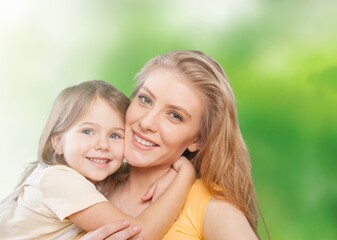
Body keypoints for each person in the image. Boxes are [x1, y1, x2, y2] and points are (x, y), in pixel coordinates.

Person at [85, 50, 261, 239]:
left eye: (175, 116)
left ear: (197, 139)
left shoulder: (211, 207)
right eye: (145, 100)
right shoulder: (86, 184)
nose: (146, 123)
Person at [0, 80, 195, 239]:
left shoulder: (86, 178)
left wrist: (168, 174)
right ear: (58, 142)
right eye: (87, 131)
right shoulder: (59, 180)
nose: (103, 145)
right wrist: (185, 175)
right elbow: (138, 234)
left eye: (115, 135)